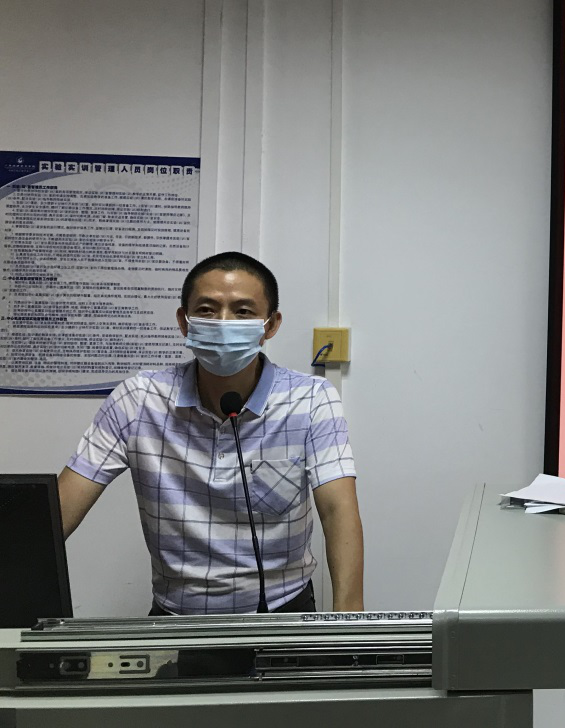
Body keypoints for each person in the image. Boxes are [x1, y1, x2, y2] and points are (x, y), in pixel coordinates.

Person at [56, 251, 364, 615]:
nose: (223, 323)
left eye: (243, 311)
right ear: (183, 322)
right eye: (206, 310)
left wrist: (349, 623)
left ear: (271, 325)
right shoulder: (139, 399)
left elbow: (337, 510)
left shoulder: (311, 399)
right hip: (176, 615)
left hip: (281, 608)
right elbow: (61, 509)